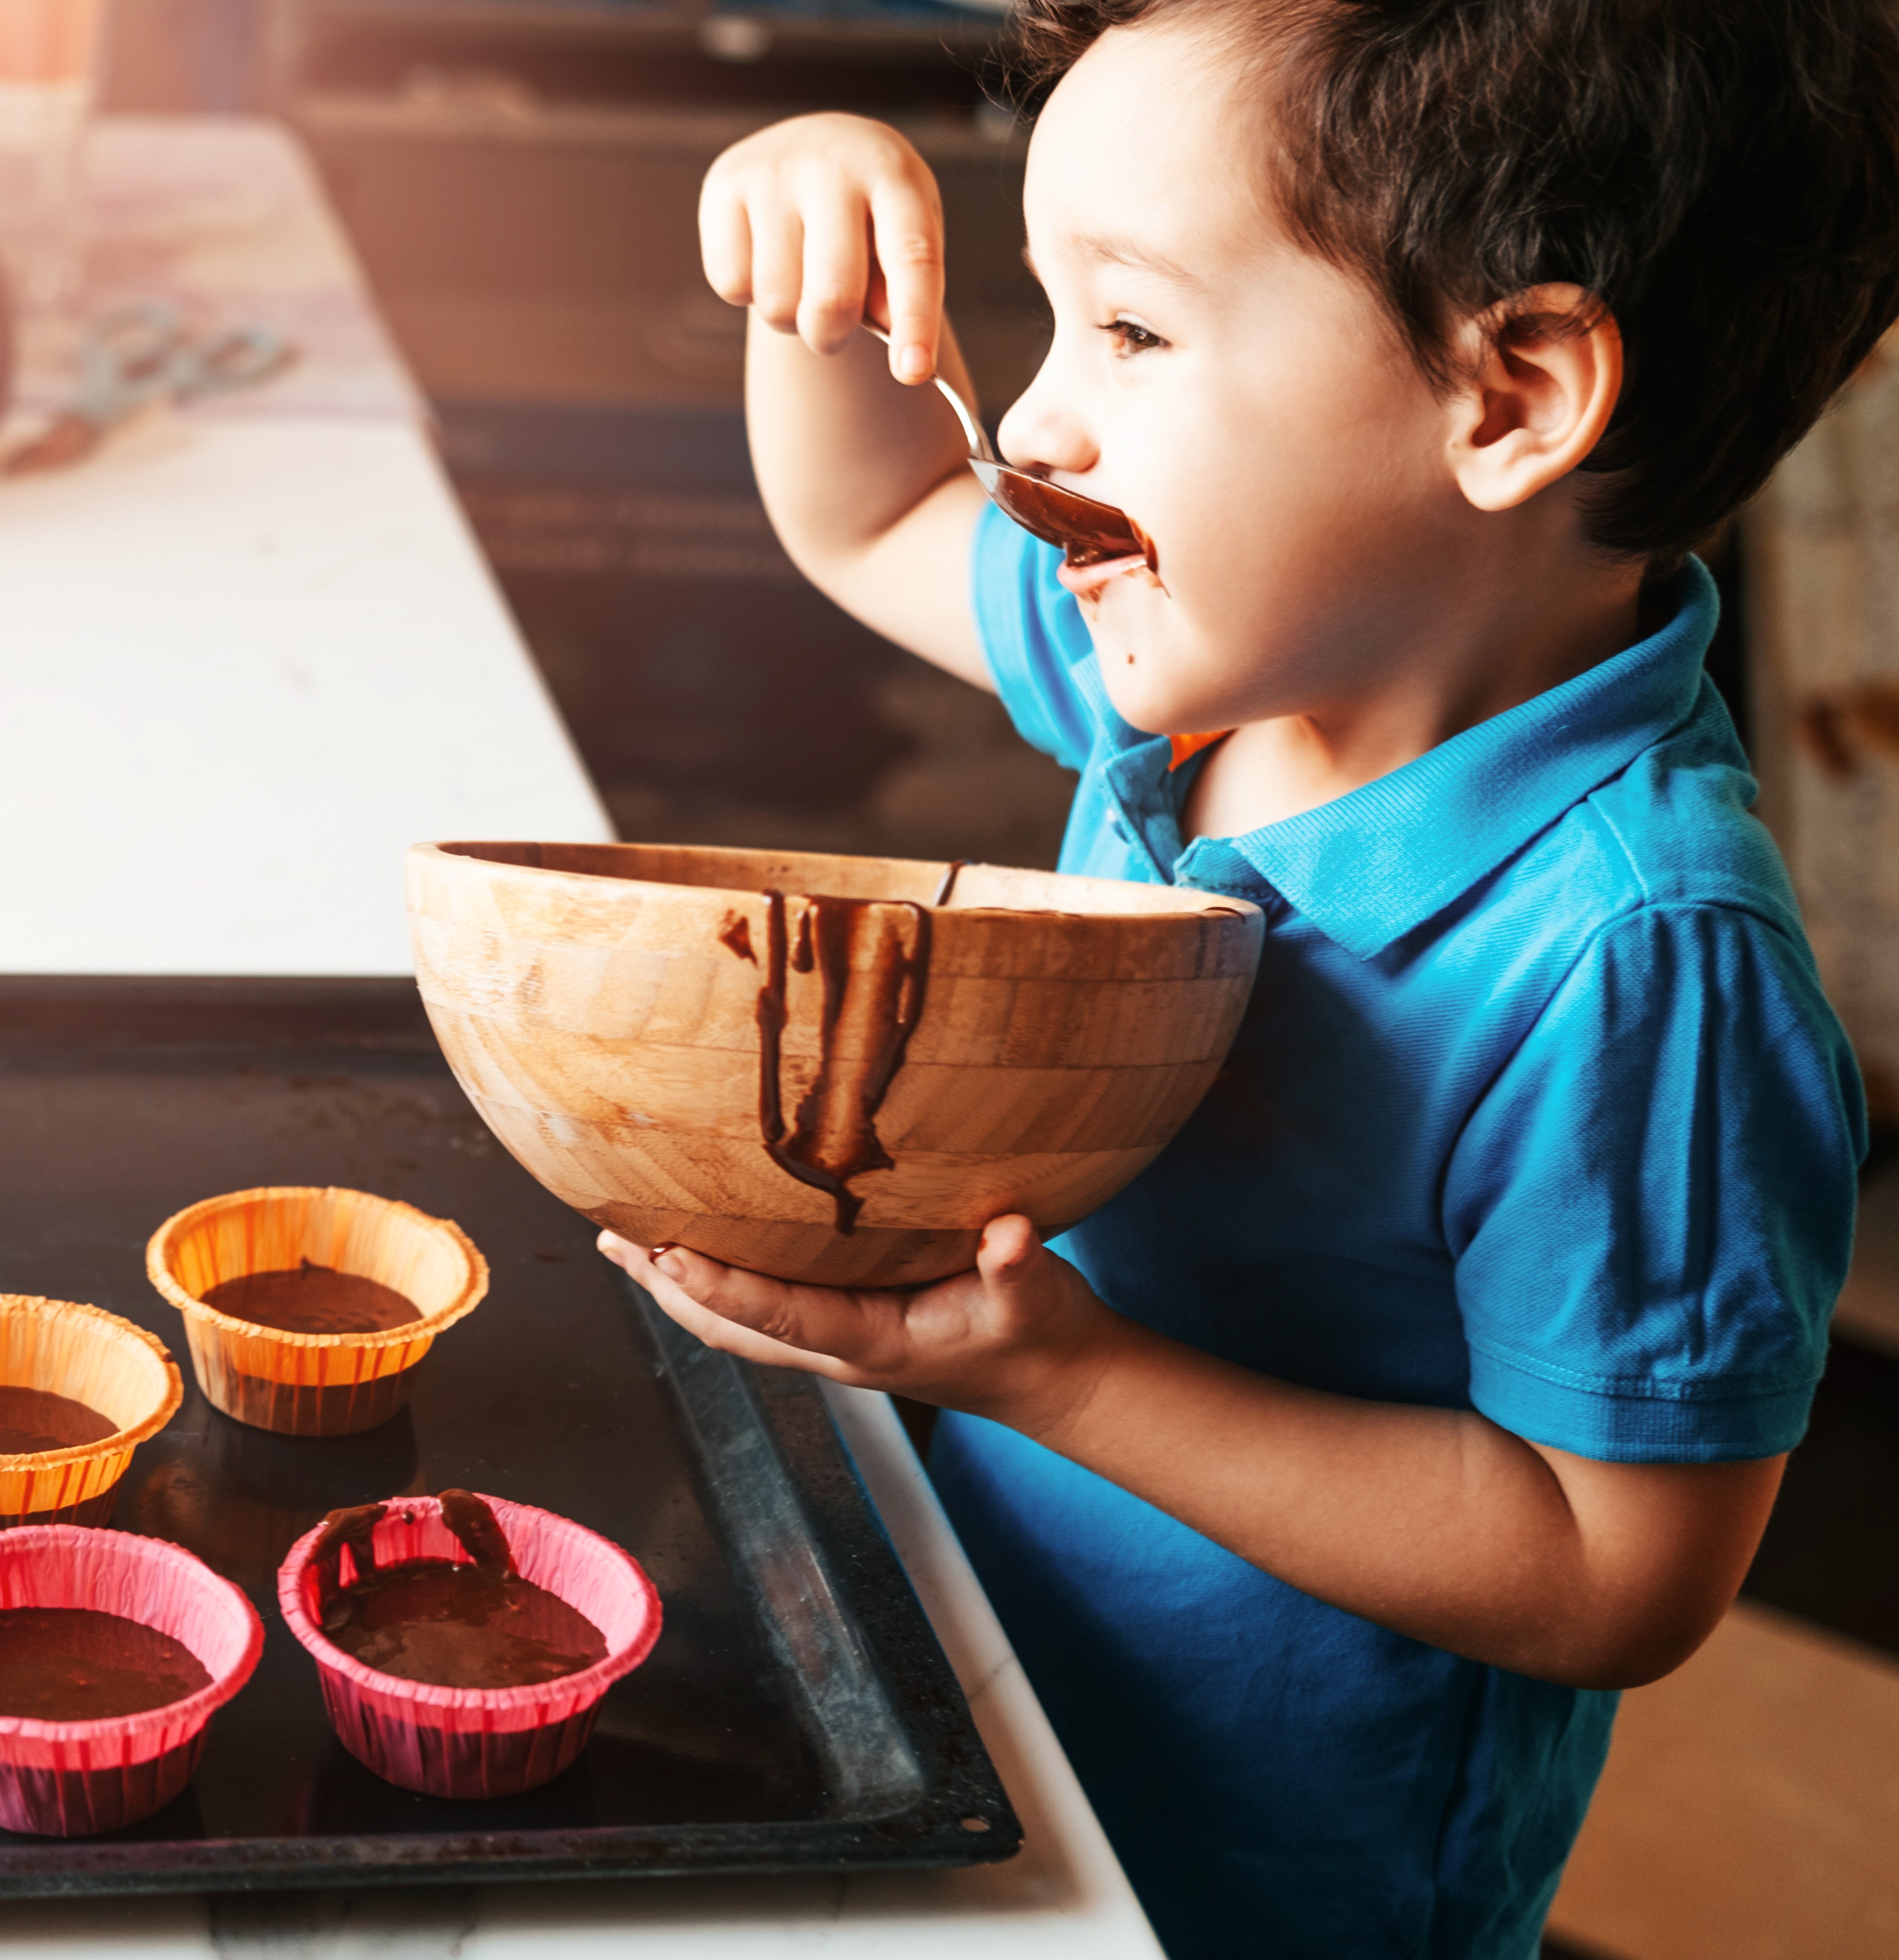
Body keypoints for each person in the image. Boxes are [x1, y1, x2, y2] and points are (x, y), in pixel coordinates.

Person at [597, 2, 1899, 1952]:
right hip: (984, 1679)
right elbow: (870, 514)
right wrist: (815, 279)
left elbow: (1612, 1567)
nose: (1032, 419)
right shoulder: (1217, 666)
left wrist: (1052, 1371)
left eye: (1127, 330)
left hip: (1263, 1873)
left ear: (1510, 395)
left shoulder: (1641, 966)